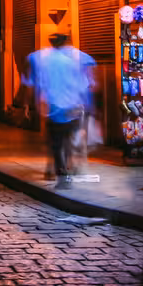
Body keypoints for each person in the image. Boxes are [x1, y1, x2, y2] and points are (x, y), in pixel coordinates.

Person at [23, 29, 94, 190]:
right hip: (73, 106)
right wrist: (87, 105)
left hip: (54, 107)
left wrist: (28, 104)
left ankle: (61, 175)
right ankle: (67, 168)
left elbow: (33, 83)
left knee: (56, 143)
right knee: (68, 139)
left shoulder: (41, 59)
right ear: (66, 42)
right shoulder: (74, 60)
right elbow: (84, 83)